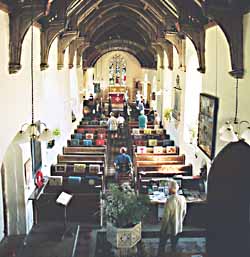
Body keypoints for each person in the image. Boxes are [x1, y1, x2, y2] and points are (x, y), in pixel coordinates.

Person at [157, 180, 187, 256]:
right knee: (174, 246)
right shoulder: (183, 198)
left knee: (161, 245)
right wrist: (180, 222)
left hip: (169, 228)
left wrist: (162, 229)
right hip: (178, 227)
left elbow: (166, 218)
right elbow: (184, 212)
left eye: (168, 187)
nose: (167, 189)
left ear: (171, 189)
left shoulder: (169, 200)